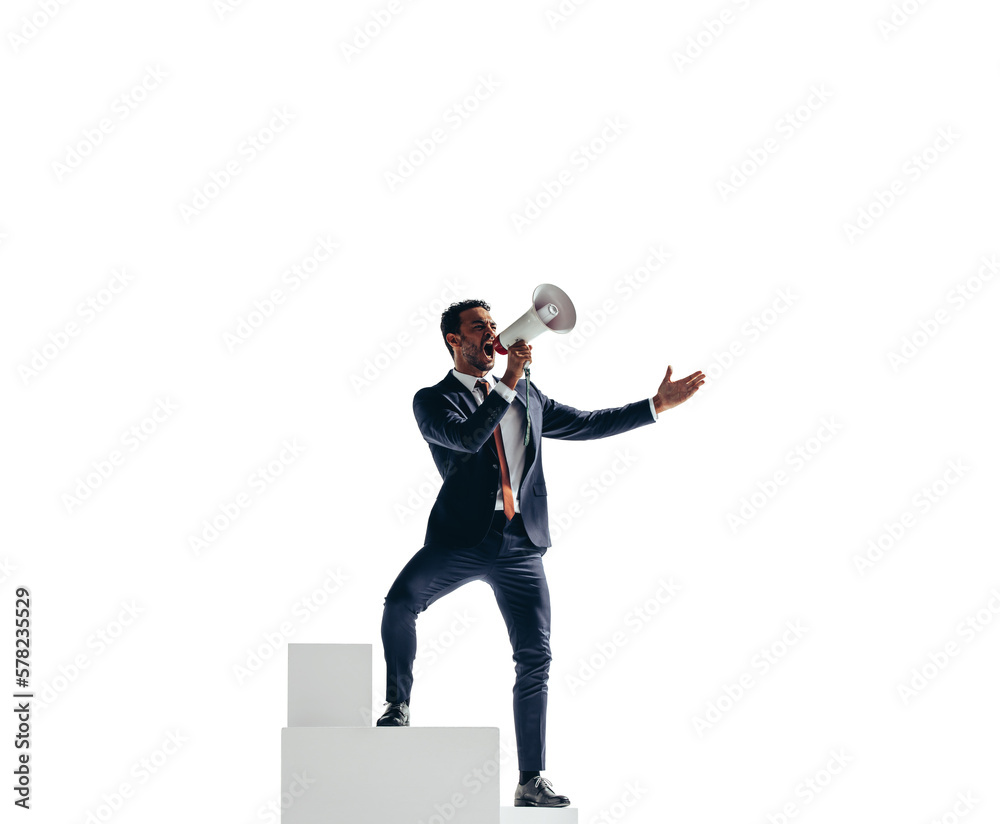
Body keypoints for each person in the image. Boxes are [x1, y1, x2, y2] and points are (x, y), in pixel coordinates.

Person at [378, 299, 704, 808]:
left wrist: (653, 406)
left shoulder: (525, 392)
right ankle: (398, 704)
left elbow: (584, 423)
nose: (490, 332)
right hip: (462, 537)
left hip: (520, 543)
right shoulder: (432, 400)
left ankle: (531, 779)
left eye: (492, 324)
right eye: (477, 328)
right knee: (400, 603)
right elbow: (467, 437)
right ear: (454, 341)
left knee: (536, 656)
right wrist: (508, 379)